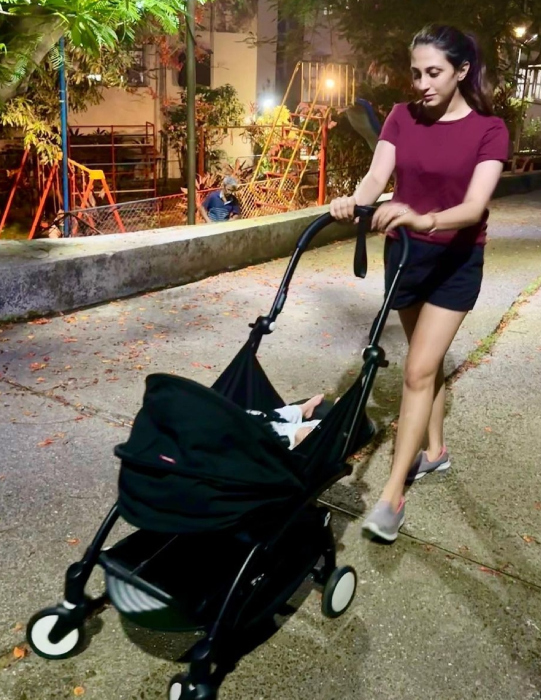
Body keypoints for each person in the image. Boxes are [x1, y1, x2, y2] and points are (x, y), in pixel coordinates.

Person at [330, 24, 509, 543]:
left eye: (434, 72)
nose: (422, 84)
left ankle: (392, 498)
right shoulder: (400, 116)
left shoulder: (490, 129)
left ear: (461, 71)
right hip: (406, 256)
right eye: (416, 74)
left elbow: (473, 208)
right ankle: (435, 451)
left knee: (418, 370)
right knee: (423, 365)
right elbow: (375, 178)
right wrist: (354, 202)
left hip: (455, 260)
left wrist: (421, 217)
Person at [247, 395, 324, 449]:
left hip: (263, 422)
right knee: (313, 432)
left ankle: (303, 409)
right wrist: (296, 444)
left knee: (271, 417)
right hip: (277, 444)